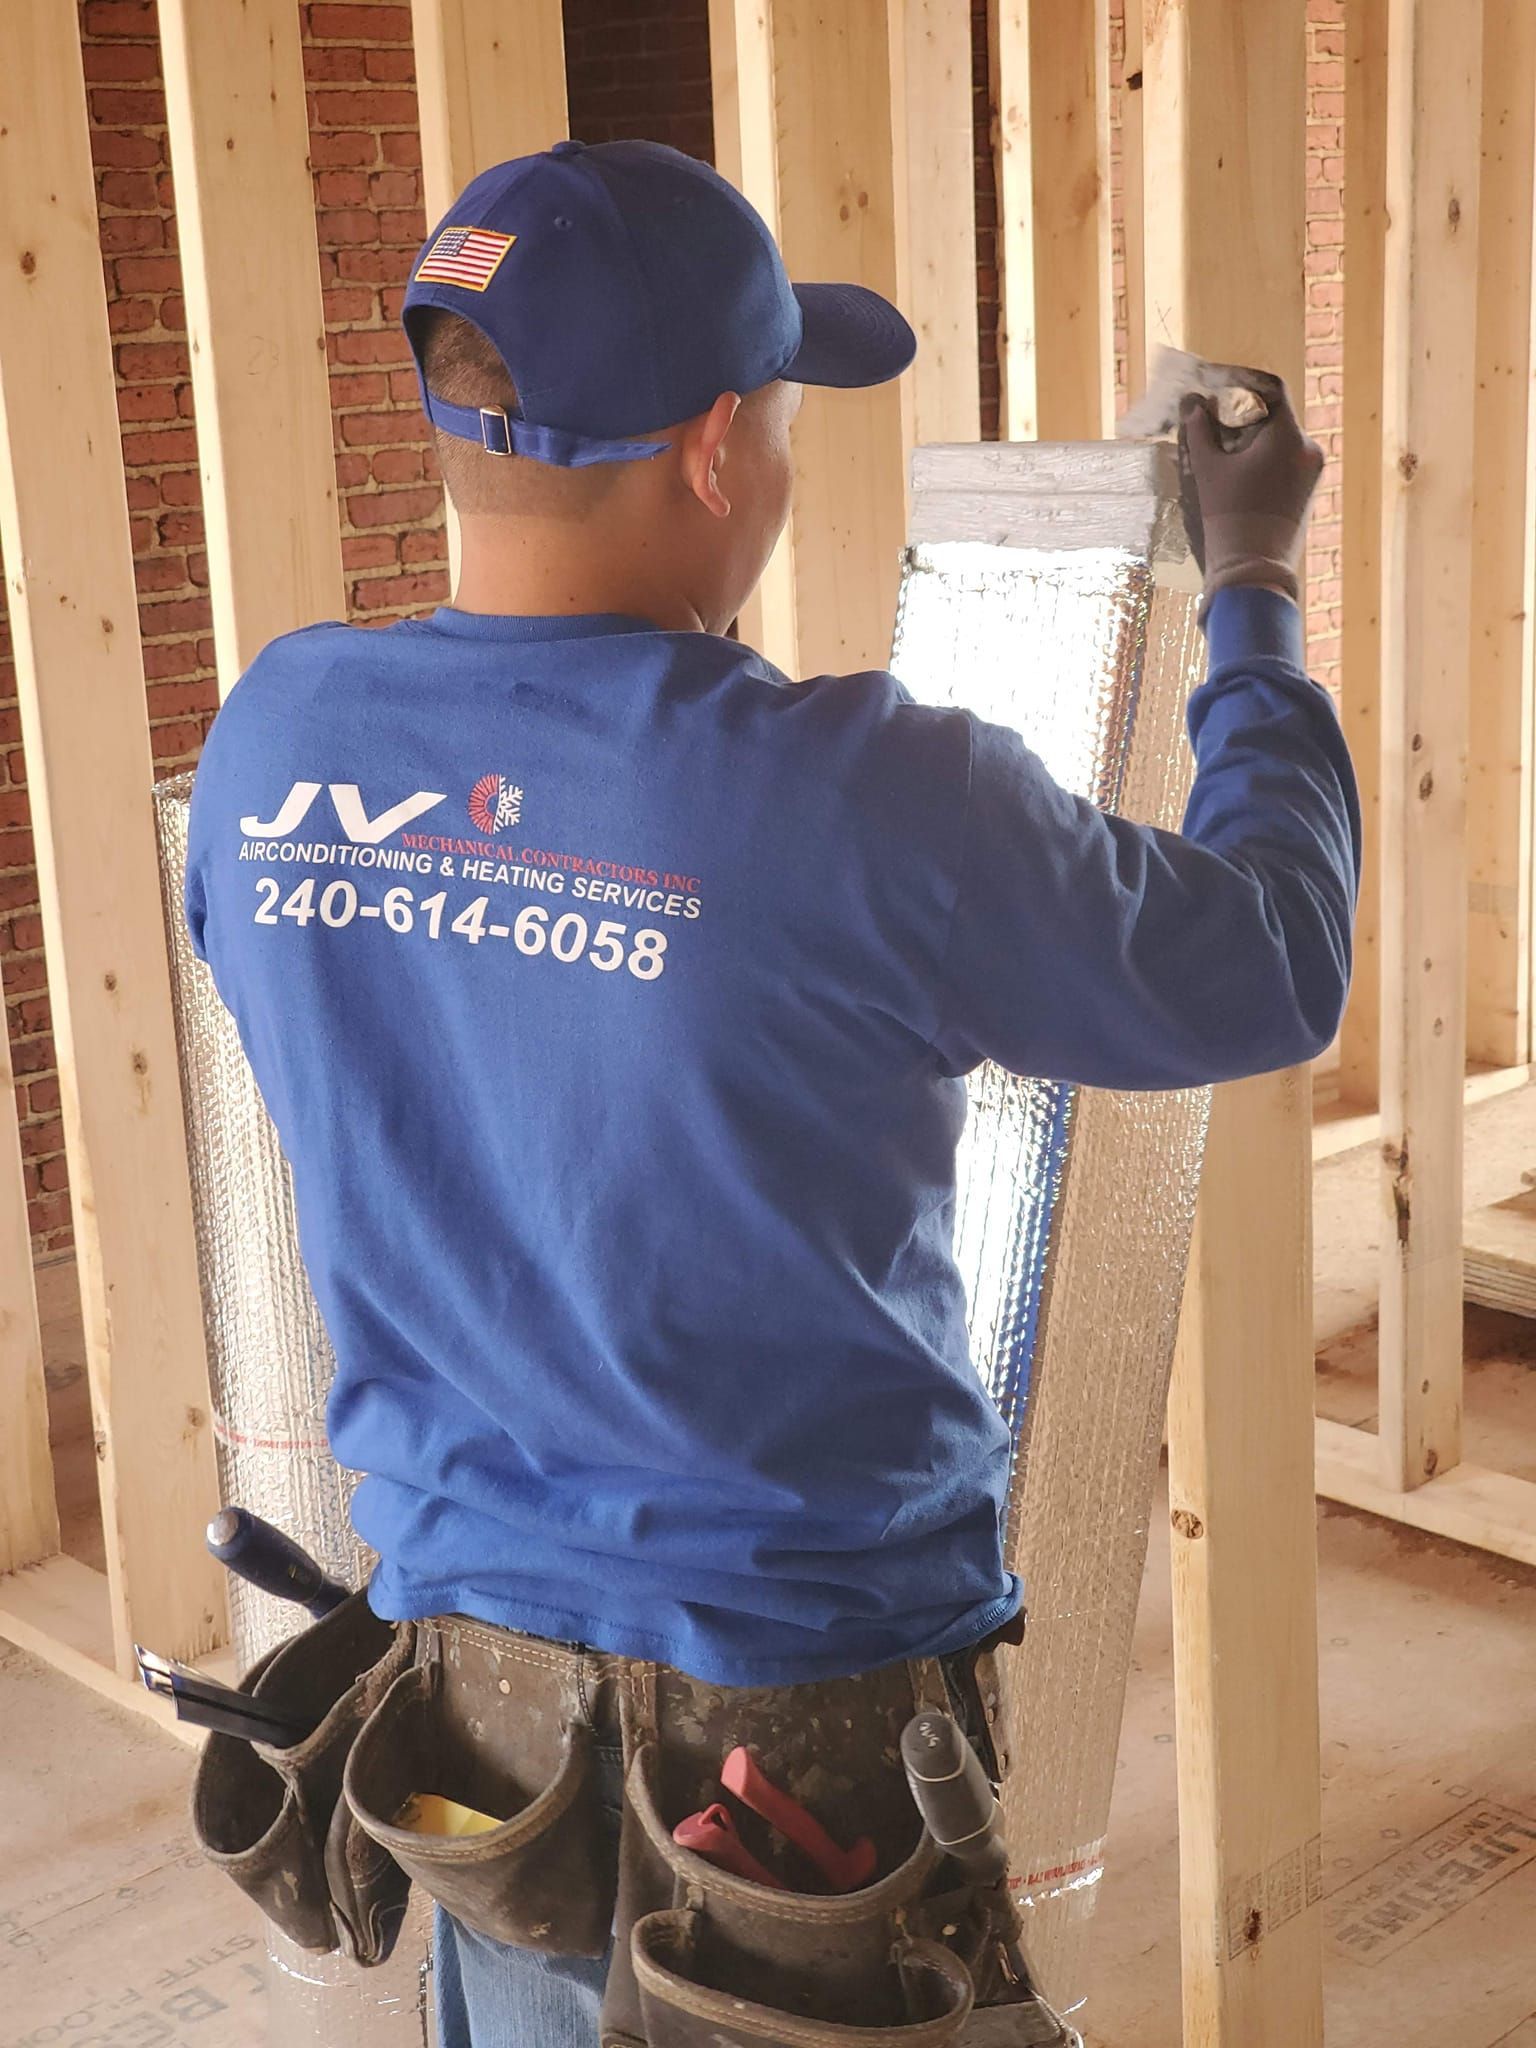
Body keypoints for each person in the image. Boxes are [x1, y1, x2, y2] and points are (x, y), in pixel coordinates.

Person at [185, 139, 1358, 2047]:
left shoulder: (275, 743)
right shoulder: (869, 799)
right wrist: (1256, 590)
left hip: (473, 1719)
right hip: (806, 1737)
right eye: (787, 418)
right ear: (716, 450)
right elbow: (1275, 957)